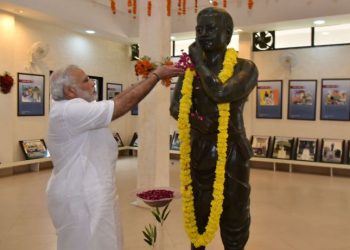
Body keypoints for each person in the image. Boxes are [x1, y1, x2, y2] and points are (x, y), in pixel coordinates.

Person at [46, 64, 183, 250]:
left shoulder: (77, 107)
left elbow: (118, 99)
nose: (92, 83)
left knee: (106, 241)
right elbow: (120, 106)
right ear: (70, 91)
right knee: (86, 243)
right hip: (80, 195)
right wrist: (156, 76)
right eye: (86, 80)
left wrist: (152, 75)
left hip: (92, 190)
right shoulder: (69, 110)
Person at [170, 7, 258, 250]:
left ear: (228, 34)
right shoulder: (189, 73)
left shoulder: (245, 68)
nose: (203, 34)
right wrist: (198, 122)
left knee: (235, 218)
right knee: (198, 216)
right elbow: (176, 107)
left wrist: (198, 61)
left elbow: (221, 93)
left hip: (232, 153)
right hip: (199, 152)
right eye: (199, 29)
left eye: (211, 28)